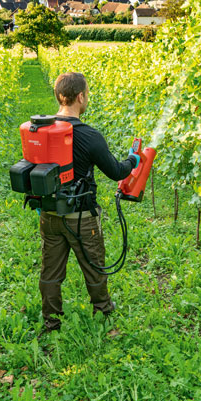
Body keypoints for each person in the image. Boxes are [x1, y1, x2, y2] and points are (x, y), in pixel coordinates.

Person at [39, 71, 138, 333]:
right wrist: (132, 161)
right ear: (80, 96)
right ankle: (103, 312)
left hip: (49, 215)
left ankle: (51, 321)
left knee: (51, 272)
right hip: (81, 217)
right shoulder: (89, 135)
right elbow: (117, 171)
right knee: (94, 267)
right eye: (87, 94)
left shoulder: (42, 129)